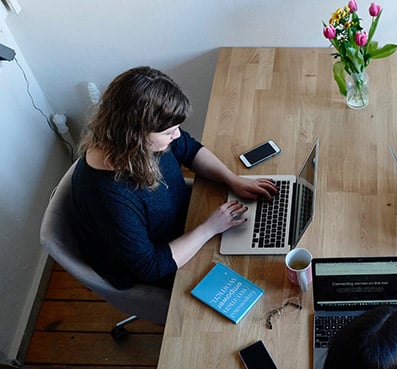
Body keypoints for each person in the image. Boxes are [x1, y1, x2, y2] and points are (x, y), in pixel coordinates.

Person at [71, 66, 278, 289]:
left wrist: (231, 179)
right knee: (256, 275)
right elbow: (150, 267)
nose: (176, 135)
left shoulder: (138, 144)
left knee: (261, 244)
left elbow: (189, 149)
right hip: (161, 261)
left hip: (186, 222)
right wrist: (209, 228)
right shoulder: (108, 197)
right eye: (169, 132)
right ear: (136, 135)